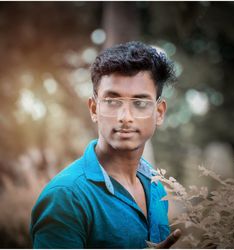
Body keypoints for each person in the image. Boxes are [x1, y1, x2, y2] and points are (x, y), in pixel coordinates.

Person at [30, 41, 181, 248]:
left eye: (140, 103)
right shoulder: (66, 197)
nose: (125, 117)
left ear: (159, 113)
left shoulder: (155, 186)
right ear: (93, 109)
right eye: (112, 101)